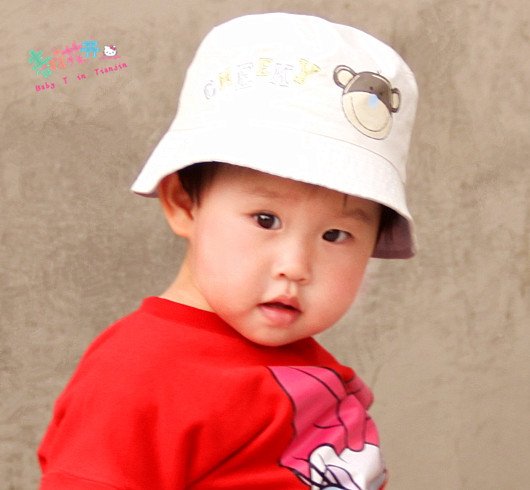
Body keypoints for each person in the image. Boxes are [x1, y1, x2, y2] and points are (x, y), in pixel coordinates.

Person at [38, 12, 418, 489]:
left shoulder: (305, 362)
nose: (296, 267)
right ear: (184, 204)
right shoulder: (139, 374)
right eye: (266, 220)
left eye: (335, 235)